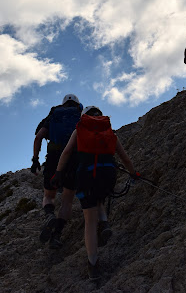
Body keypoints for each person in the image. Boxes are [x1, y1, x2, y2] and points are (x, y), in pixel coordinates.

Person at [54, 105, 138, 280]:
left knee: (89, 221)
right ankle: (105, 223)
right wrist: (133, 173)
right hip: (107, 174)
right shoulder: (109, 131)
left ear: (84, 117)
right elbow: (124, 157)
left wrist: (59, 173)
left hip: (86, 175)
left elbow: (67, 152)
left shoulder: (79, 130)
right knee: (100, 197)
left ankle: (93, 264)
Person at [31, 94, 82, 249]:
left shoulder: (53, 115)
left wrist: (35, 159)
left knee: (48, 195)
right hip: (73, 158)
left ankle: (49, 215)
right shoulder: (81, 115)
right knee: (67, 200)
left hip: (53, 157)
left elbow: (38, 137)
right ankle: (56, 235)